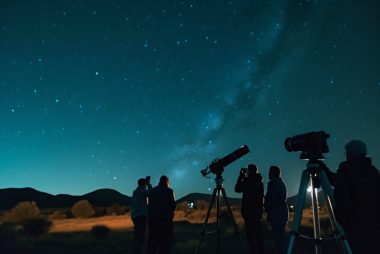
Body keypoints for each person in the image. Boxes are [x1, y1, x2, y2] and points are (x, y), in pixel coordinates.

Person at [323, 140, 380, 254]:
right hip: (374, 223)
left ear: (350, 154)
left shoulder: (347, 169)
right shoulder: (373, 171)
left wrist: (323, 170)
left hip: (353, 223)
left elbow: (338, 182)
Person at [235, 164, 264, 254]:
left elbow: (237, 189)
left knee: (251, 235)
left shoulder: (248, 181)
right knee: (258, 233)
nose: (246, 171)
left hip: (249, 211)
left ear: (250, 171)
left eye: (247, 170)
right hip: (257, 211)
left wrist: (240, 177)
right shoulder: (259, 181)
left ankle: (253, 251)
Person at [147, 175, 176, 254]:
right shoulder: (169, 191)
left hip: (153, 219)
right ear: (167, 182)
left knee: (153, 242)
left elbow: (149, 204)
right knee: (165, 243)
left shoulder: (152, 191)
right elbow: (173, 206)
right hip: (166, 219)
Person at [264, 166, 288, 254]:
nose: (268, 174)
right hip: (283, 213)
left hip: (276, 214)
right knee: (282, 237)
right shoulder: (281, 183)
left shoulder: (272, 183)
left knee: (278, 237)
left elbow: (270, 199)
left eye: (269, 172)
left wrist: (266, 207)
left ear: (272, 173)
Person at [131, 177, 152, 254]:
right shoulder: (142, 191)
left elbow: (132, 205)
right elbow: (151, 194)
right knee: (141, 236)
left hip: (135, 216)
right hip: (141, 216)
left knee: (137, 236)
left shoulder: (135, 192)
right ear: (144, 184)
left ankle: (136, 250)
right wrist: (149, 185)